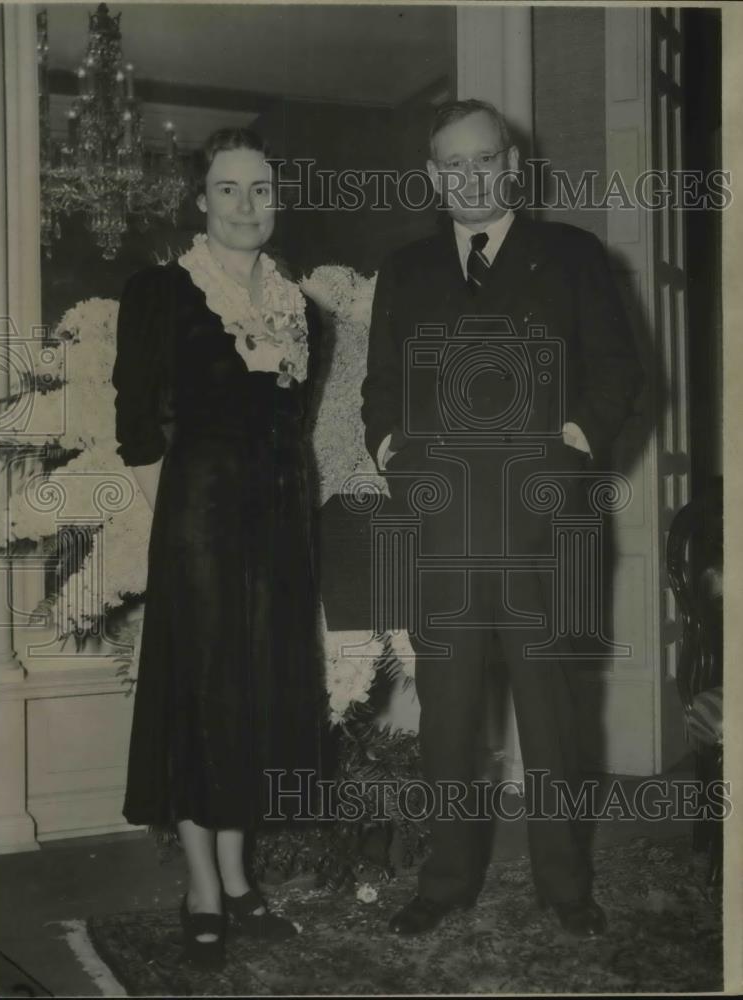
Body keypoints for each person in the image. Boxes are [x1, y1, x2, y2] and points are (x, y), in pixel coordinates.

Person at [361, 99, 643, 938]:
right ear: (431, 176)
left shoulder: (571, 255)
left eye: (482, 160)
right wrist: (390, 454)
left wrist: (574, 443)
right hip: (441, 528)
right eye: (450, 164)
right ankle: (446, 880)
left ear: (511, 166)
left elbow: (617, 370)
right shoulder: (406, 269)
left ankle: (564, 886)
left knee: (551, 714)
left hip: (542, 528)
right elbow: (381, 385)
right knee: (445, 717)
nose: (468, 177)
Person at [112, 128, 326, 969]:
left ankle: (238, 879)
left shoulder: (300, 309)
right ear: (200, 200)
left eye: (261, 189)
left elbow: (290, 425)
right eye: (228, 188)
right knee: (203, 697)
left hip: (279, 528)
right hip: (197, 529)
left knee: (258, 697)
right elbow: (136, 426)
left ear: (278, 200)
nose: (246, 205)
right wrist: (184, 530)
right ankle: (202, 885)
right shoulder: (159, 292)